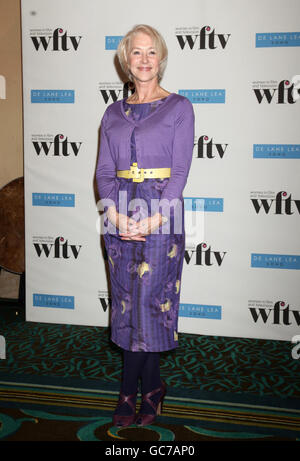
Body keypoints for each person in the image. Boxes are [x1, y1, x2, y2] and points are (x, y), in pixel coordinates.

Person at [96, 24, 194, 427]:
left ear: (161, 59)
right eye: (136, 52)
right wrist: (115, 216)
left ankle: (131, 390)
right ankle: (150, 387)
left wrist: (155, 219)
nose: (144, 59)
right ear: (126, 60)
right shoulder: (111, 113)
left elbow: (181, 170)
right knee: (125, 304)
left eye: (152, 52)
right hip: (118, 212)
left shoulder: (179, 107)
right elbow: (103, 170)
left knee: (151, 305)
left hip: (161, 214)